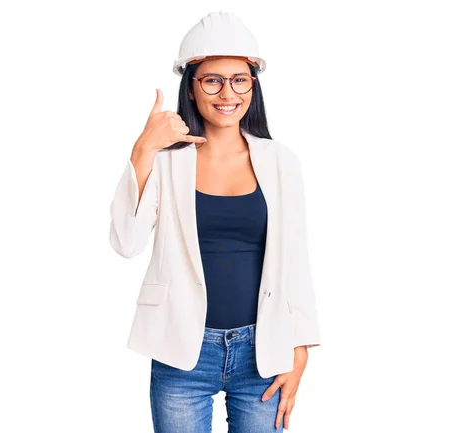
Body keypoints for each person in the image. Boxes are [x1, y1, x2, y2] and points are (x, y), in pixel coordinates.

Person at [109, 11, 321, 432]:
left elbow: (295, 259)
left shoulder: (281, 162)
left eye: (239, 79)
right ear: (191, 86)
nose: (227, 92)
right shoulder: (167, 164)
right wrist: (144, 148)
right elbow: (126, 242)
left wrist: (301, 349)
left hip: (264, 349)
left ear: (253, 85)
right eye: (212, 80)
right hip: (181, 351)